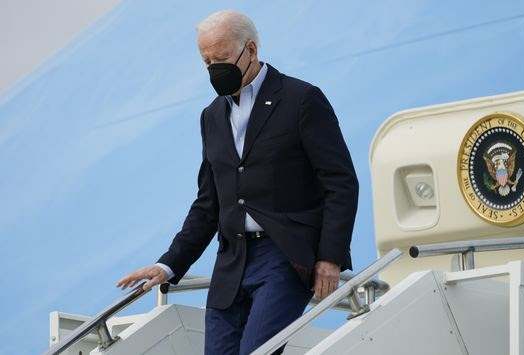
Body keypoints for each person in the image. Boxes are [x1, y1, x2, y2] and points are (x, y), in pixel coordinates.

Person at [116, 10, 358, 355]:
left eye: (223, 59)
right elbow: (207, 205)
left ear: (252, 50)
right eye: (207, 62)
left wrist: (330, 258)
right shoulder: (211, 116)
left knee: (256, 351)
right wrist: (167, 264)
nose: (215, 69)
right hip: (232, 260)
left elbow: (341, 182)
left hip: (284, 256)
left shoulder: (301, 99)